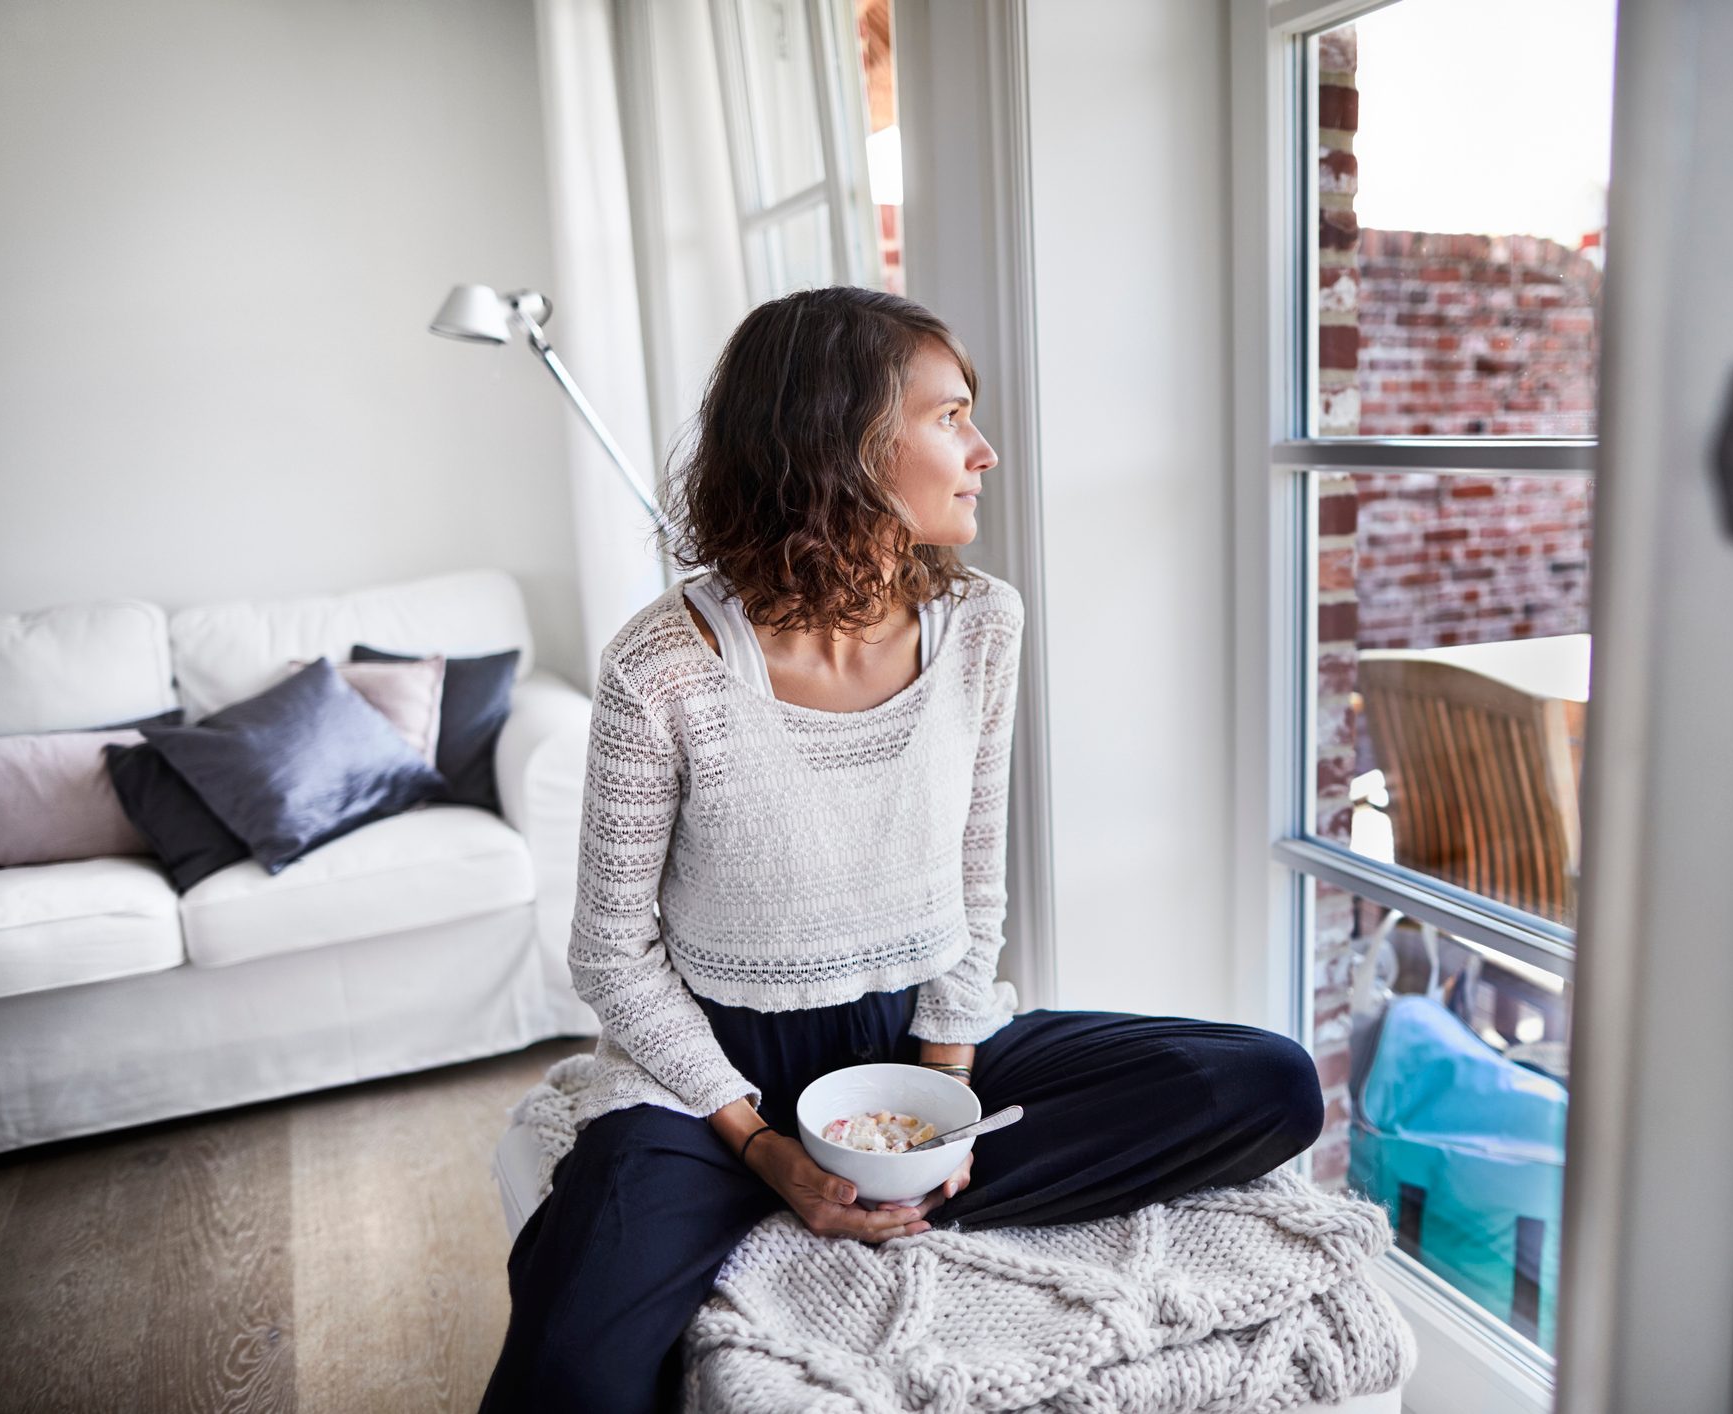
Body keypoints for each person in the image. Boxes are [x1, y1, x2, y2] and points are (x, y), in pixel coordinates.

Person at [479, 286, 1323, 1412]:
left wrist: (942, 1099)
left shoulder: (983, 623)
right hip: (715, 1077)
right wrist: (768, 1147)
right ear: (845, 442)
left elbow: (978, 883)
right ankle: (792, 1192)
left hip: (919, 1044)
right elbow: (613, 955)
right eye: (950, 418)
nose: (982, 451)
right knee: (571, 1358)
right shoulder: (663, 662)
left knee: (1266, 1083)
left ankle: (884, 1193)